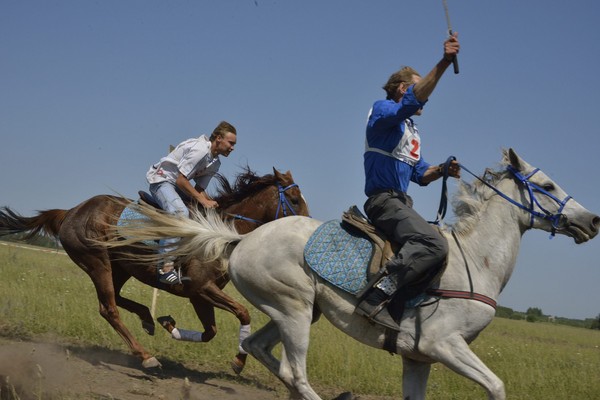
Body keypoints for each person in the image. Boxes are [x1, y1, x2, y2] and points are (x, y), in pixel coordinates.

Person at [356, 34, 461, 330]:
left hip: (402, 201)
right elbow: (411, 101)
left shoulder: (410, 131)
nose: (424, 99)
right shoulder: (382, 110)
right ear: (403, 88)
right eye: (415, 88)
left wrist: (443, 169)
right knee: (433, 244)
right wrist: (444, 62)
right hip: (383, 201)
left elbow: (419, 173)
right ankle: (377, 295)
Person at [146, 121, 237, 285]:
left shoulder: (215, 162)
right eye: (230, 143)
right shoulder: (201, 151)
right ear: (218, 138)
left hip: (178, 185)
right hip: (162, 181)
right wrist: (202, 200)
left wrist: (210, 202)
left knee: (200, 213)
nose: (233, 148)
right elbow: (181, 181)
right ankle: (164, 267)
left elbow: (199, 189)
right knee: (180, 213)